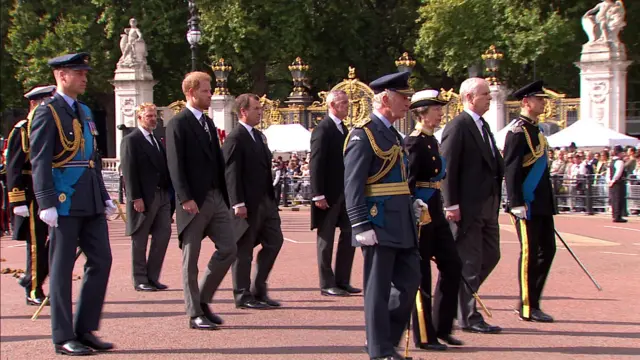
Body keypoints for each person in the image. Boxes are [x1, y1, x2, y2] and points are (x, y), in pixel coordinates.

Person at [29, 52, 116, 355]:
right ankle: (62, 335)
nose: (84, 78)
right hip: (64, 199)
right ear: (62, 76)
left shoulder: (86, 111)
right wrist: (45, 201)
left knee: (102, 260)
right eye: (78, 73)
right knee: (62, 268)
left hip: (89, 196)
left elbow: (92, 158)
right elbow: (39, 160)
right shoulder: (47, 112)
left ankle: (85, 328)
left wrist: (105, 196)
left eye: (84, 73)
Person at [344, 71, 421, 360]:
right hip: (377, 220)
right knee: (377, 290)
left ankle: (385, 340)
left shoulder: (392, 133)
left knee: (409, 281)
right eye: (404, 97)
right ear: (386, 98)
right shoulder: (363, 133)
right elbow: (353, 182)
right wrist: (360, 223)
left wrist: (410, 203)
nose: (408, 103)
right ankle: (380, 349)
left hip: (400, 219)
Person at [165, 71, 236, 330]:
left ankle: (203, 300)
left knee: (229, 249)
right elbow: (175, 164)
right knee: (190, 258)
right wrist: (185, 198)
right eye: (206, 91)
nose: (210, 95)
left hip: (215, 196)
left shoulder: (206, 122)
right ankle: (194, 312)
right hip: (193, 201)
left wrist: (225, 196)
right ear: (192, 93)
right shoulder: (177, 123)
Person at [440, 77, 504, 334]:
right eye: (485, 94)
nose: (490, 98)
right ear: (469, 97)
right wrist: (451, 203)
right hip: (467, 207)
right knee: (470, 261)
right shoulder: (458, 126)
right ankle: (468, 315)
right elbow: (448, 167)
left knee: (491, 255)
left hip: (487, 205)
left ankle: (459, 298)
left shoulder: (483, 126)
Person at [405, 89, 463, 350]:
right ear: (422, 112)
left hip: (436, 211)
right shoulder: (414, 142)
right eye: (436, 109)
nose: (440, 113)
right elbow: (409, 181)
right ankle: (425, 334)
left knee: (453, 265)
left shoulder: (432, 140)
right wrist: (413, 208)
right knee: (422, 276)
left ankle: (443, 326)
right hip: (421, 214)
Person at [222, 93, 284, 309]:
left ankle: (259, 288)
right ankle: (242, 294)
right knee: (244, 250)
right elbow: (231, 173)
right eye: (256, 108)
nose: (260, 112)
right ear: (243, 111)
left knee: (275, 241)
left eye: (260, 108)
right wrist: (237, 202)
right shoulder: (235, 137)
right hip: (246, 203)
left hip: (266, 200)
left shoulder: (259, 136)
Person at [503, 80, 557, 322]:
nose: (544, 102)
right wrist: (516, 202)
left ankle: (533, 300)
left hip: (541, 202)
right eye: (540, 99)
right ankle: (527, 306)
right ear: (526, 102)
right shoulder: (517, 132)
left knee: (548, 250)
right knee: (530, 253)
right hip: (526, 203)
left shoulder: (538, 130)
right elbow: (512, 169)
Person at [6, 85, 56, 306]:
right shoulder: (22, 129)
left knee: (58, 242)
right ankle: (34, 289)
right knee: (36, 243)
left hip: (53, 189)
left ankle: (32, 279)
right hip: (31, 193)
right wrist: (17, 199)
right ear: (34, 104)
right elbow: (14, 166)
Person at [310, 90, 359, 297]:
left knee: (349, 236)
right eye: (344, 103)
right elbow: (316, 162)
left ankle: (342, 279)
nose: (347, 106)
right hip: (328, 194)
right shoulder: (323, 129)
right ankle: (326, 282)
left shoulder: (343, 128)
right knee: (326, 239)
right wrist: (317, 193)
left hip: (345, 192)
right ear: (332, 105)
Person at [120, 102, 172, 292]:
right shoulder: (131, 140)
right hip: (144, 196)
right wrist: (135, 198)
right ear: (140, 118)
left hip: (162, 194)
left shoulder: (156, 139)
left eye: (155, 116)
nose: (153, 119)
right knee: (140, 239)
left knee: (163, 235)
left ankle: (153, 277)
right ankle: (140, 278)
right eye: (149, 116)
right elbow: (129, 171)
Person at [607, 145, 627, 223]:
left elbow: (608, 173)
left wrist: (609, 181)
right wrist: (613, 180)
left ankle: (615, 215)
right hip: (618, 183)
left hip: (612, 182)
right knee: (618, 199)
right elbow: (618, 172)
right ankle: (618, 216)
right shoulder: (620, 161)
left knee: (614, 199)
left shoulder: (611, 162)